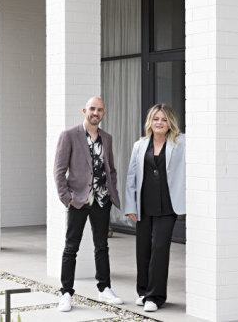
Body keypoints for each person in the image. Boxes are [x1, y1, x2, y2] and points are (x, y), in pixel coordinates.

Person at [54, 96, 123, 312]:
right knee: (71, 247)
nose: (96, 113)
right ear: (85, 110)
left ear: (103, 113)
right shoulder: (69, 135)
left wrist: (112, 192)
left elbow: (111, 168)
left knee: (102, 246)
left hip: (102, 201)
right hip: (78, 201)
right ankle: (66, 293)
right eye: (92, 109)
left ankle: (104, 289)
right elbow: (59, 170)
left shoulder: (107, 138)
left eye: (100, 110)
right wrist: (67, 198)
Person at [124, 103, 186, 312]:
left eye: (164, 119)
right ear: (150, 121)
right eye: (156, 119)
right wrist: (130, 205)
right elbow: (131, 177)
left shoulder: (181, 143)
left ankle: (155, 296)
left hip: (168, 205)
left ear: (170, 123)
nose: (160, 123)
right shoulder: (139, 145)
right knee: (143, 250)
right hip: (144, 204)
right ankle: (143, 291)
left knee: (159, 249)